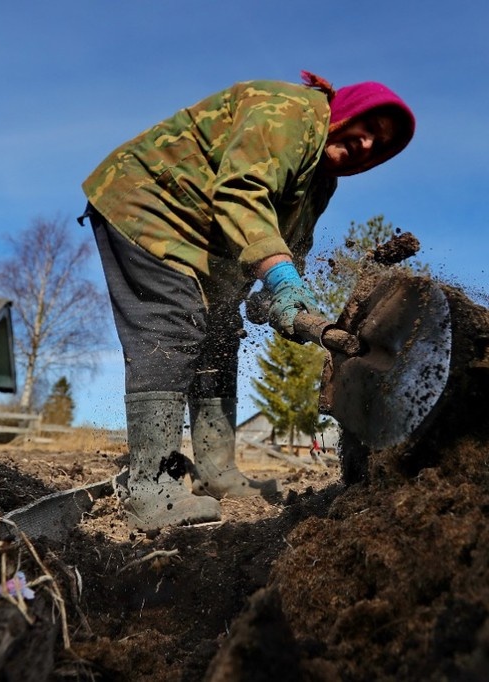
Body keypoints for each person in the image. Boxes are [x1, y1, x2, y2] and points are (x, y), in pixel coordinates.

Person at [79, 71, 415, 533]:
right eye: (369, 127)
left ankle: (217, 474)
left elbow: (286, 247)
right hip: (151, 204)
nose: (367, 145)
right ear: (344, 112)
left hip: (205, 240)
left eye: (380, 147)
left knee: (220, 333)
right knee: (171, 328)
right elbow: (241, 193)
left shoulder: (321, 183)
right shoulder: (290, 112)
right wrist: (280, 278)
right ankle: (151, 489)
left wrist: (283, 303)